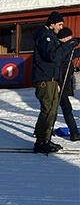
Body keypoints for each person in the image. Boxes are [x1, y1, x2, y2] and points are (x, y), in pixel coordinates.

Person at [32, 11, 79, 153]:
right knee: (47, 111)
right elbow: (53, 56)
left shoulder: (50, 36)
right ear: (52, 24)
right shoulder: (44, 36)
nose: (61, 27)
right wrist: (69, 44)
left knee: (51, 111)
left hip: (51, 79)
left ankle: (45, 140)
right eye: (59, 24)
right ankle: (41, 142)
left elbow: (57, 59)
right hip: (45, 80)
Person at [57, 27, 80, 141]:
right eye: (69, 37)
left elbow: (74, 53)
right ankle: (74, 133)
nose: (71, 38)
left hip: (64, 83)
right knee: (59, 109)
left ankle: (74, 132)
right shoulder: (60, 50)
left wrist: (73, 69)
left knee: (64, 108)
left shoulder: (66, 50)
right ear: (63, 39)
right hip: (59, 84)